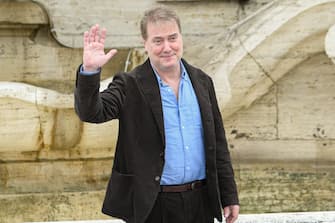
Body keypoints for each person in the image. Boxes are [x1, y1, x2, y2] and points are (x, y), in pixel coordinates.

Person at [74, 6, 239, 223]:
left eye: (172, 38)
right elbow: (92, 113)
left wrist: (229, 196)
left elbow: (218, 143)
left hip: (201, 203)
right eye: (158, 40)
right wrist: (89, 72)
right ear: (146, 44)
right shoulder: (129, 84)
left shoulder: (203, 81)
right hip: (153, 205)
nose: (167, 47)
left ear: (181, 38)